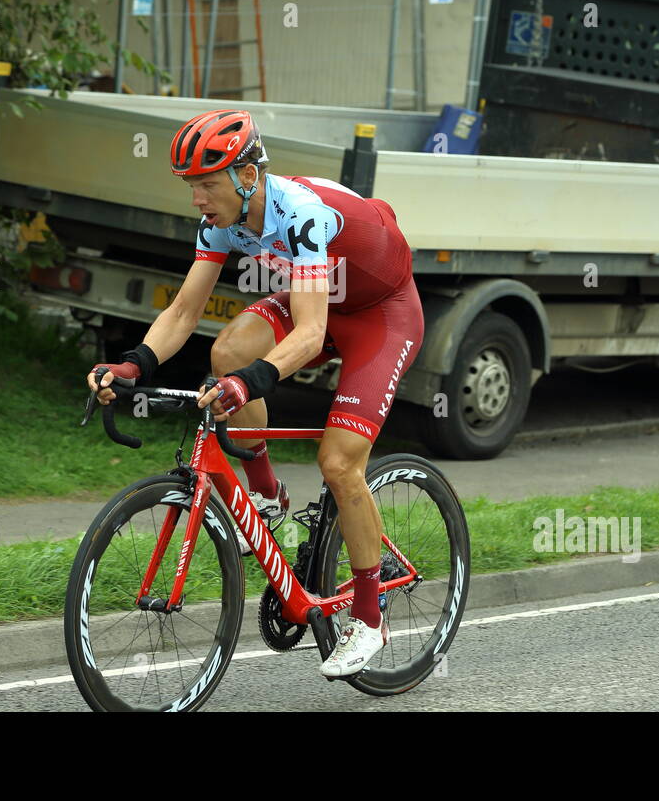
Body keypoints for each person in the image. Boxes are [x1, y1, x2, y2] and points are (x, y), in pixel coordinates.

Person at [86, 108, 424, 678]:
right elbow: (186, 309)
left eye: (207, 183)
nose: (198, 197)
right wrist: (133, 364)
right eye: (191, 185)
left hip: (379, 314)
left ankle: (369, 616)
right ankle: (268, 498)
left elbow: (313, 333)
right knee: (227, 353)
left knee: (339, 464)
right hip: (317, 297)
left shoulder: (301, 216)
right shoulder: (222, 219)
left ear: (247, 175)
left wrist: (252, 382)